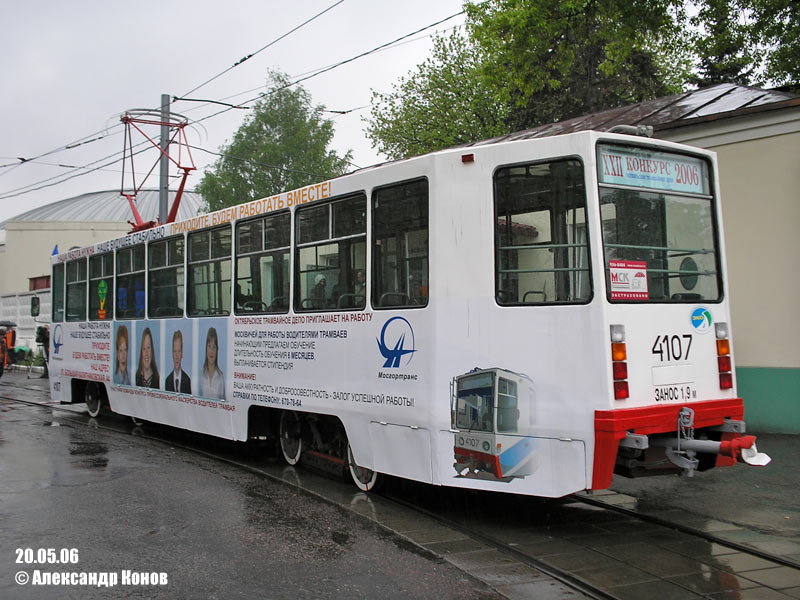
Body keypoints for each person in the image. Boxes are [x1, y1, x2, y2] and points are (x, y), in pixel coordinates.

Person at [198, 327, 224, 400]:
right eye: (209, 346)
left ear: (217, 350)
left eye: (214, 347)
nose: (211, 351)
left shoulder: (220, 377)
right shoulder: (201, 375)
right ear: (206, 349)